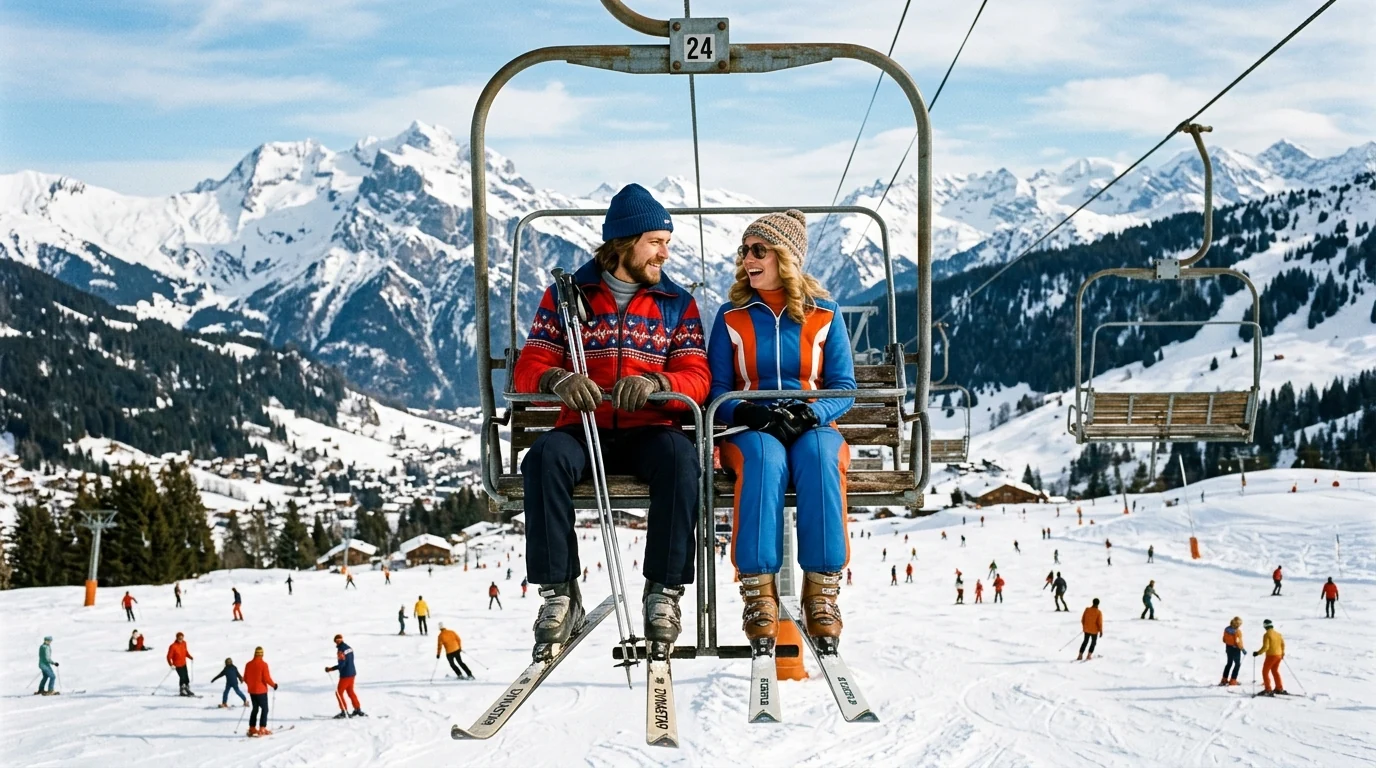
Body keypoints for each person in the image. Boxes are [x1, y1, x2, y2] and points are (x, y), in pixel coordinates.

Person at [512, 184, 708, 661]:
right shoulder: (568, 299)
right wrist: (557, 377)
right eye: (656, 241)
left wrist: (660, 384)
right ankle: (560, 593)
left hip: (652, 429)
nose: (665, 251)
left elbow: (698, 376)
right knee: (544, 459)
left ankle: (663, 591)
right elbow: (529, 364)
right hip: (584, 426)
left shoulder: (675, 304)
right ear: (625, 243)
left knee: (681, 461)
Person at [707, 210, 856, 655]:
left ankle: (822, 591)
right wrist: (748, 412)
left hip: (811, 422)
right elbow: (716, 388)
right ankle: (758, 593)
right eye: (744, 251)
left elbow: (844, 387)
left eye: (759, 250)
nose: (747, 259)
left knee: (819, 458)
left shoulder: (824, 314)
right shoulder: (732, 316)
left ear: (785, 257)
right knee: (765, 460)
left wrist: (812, 414)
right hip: (750, 425)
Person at [326, 634, 364, 717]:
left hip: (345, 675)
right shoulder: (349, 648)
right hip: (352, 673)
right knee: (350, 691)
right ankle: (357, 709)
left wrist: (331, 669)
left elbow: (342, 664)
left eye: (337, 640)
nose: (337, 642)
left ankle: (344, 711)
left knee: (339, 693)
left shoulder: (341, 650)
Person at [243, 647, 278, 736]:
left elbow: (245, 678)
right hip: (261, 691)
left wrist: (251, 685)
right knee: (265, 709)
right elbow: (266, 678)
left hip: (252, 691)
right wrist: (274, 685)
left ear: (255, 654)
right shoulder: (263, 664)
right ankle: (262, 728)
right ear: (262, 654)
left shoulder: (248, 664)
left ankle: (252, 728)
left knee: (255, 709)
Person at [1253, 619, 1286, 695]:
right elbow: (1283, 644)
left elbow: (1266, 647)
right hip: (1279, 655)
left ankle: (1268, 690)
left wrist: (1258, 653)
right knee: (1275, 671)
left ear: (1265, 626)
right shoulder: (1278, 634)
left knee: (1265, 672)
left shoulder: (1267, 634)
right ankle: (1279, 688)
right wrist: (1282, 654)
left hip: (1271, 656)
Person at [167, 632, 195, 697]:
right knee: (182, 677)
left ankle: (187, 689)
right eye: (179, 638)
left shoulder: (184, 643)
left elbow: (185, 652)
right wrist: (171, 665)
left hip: (183, 663)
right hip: (177, 665)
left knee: (186, 677)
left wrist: (189, 656)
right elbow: (168, 657)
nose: (181, 640)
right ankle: (182, 690)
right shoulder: (173, 646)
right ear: (176, 638)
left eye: (182, 638)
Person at [1220, 616, 1244, 686]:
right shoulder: (1237, 632)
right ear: (1237, 624)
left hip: (1228, 648)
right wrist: (1242, 649)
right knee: (1237, 664)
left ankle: (1224, 680)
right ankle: (1233, 680)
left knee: (1229, 663)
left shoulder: (1226, 629)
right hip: (1236, 649)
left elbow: (1224, 639)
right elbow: (1238, 642)